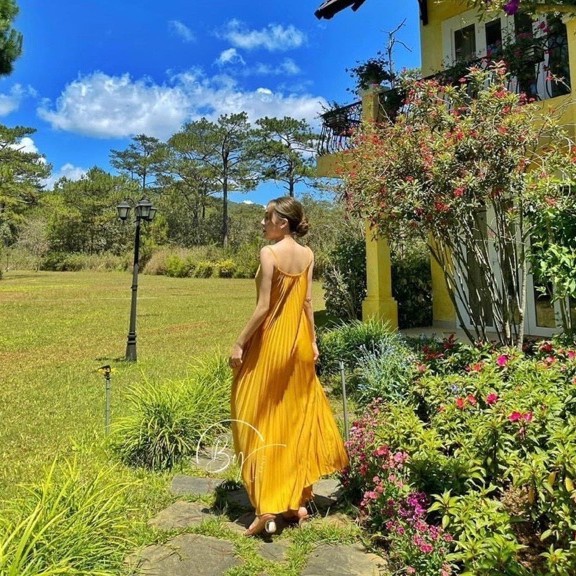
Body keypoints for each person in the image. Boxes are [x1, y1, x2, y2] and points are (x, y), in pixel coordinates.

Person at [229, 196, 349, 537]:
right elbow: (308, 301)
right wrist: (313, 341)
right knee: (294, 419)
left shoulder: (269, 253)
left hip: (270, 345)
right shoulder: (308, 255)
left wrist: (239, 342)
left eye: (267, 217)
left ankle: (267, 509)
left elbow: (264, 307)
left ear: (283, 222)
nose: (263, 223)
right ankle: (295, 502)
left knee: (256, 417)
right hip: (298, 346)